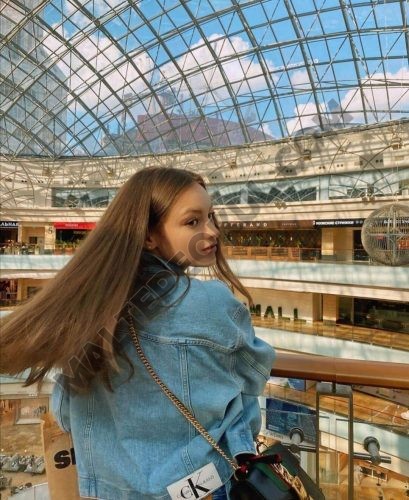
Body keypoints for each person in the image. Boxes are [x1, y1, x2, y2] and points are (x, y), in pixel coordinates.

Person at [0, 167, 275, 499]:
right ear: (148, 236)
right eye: (193, 221)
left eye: (211, 217)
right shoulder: (213, 302)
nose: (212, 231)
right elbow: (252, 374)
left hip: (107, 489)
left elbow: (65, 410)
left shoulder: (90, 309)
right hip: (199, 486)